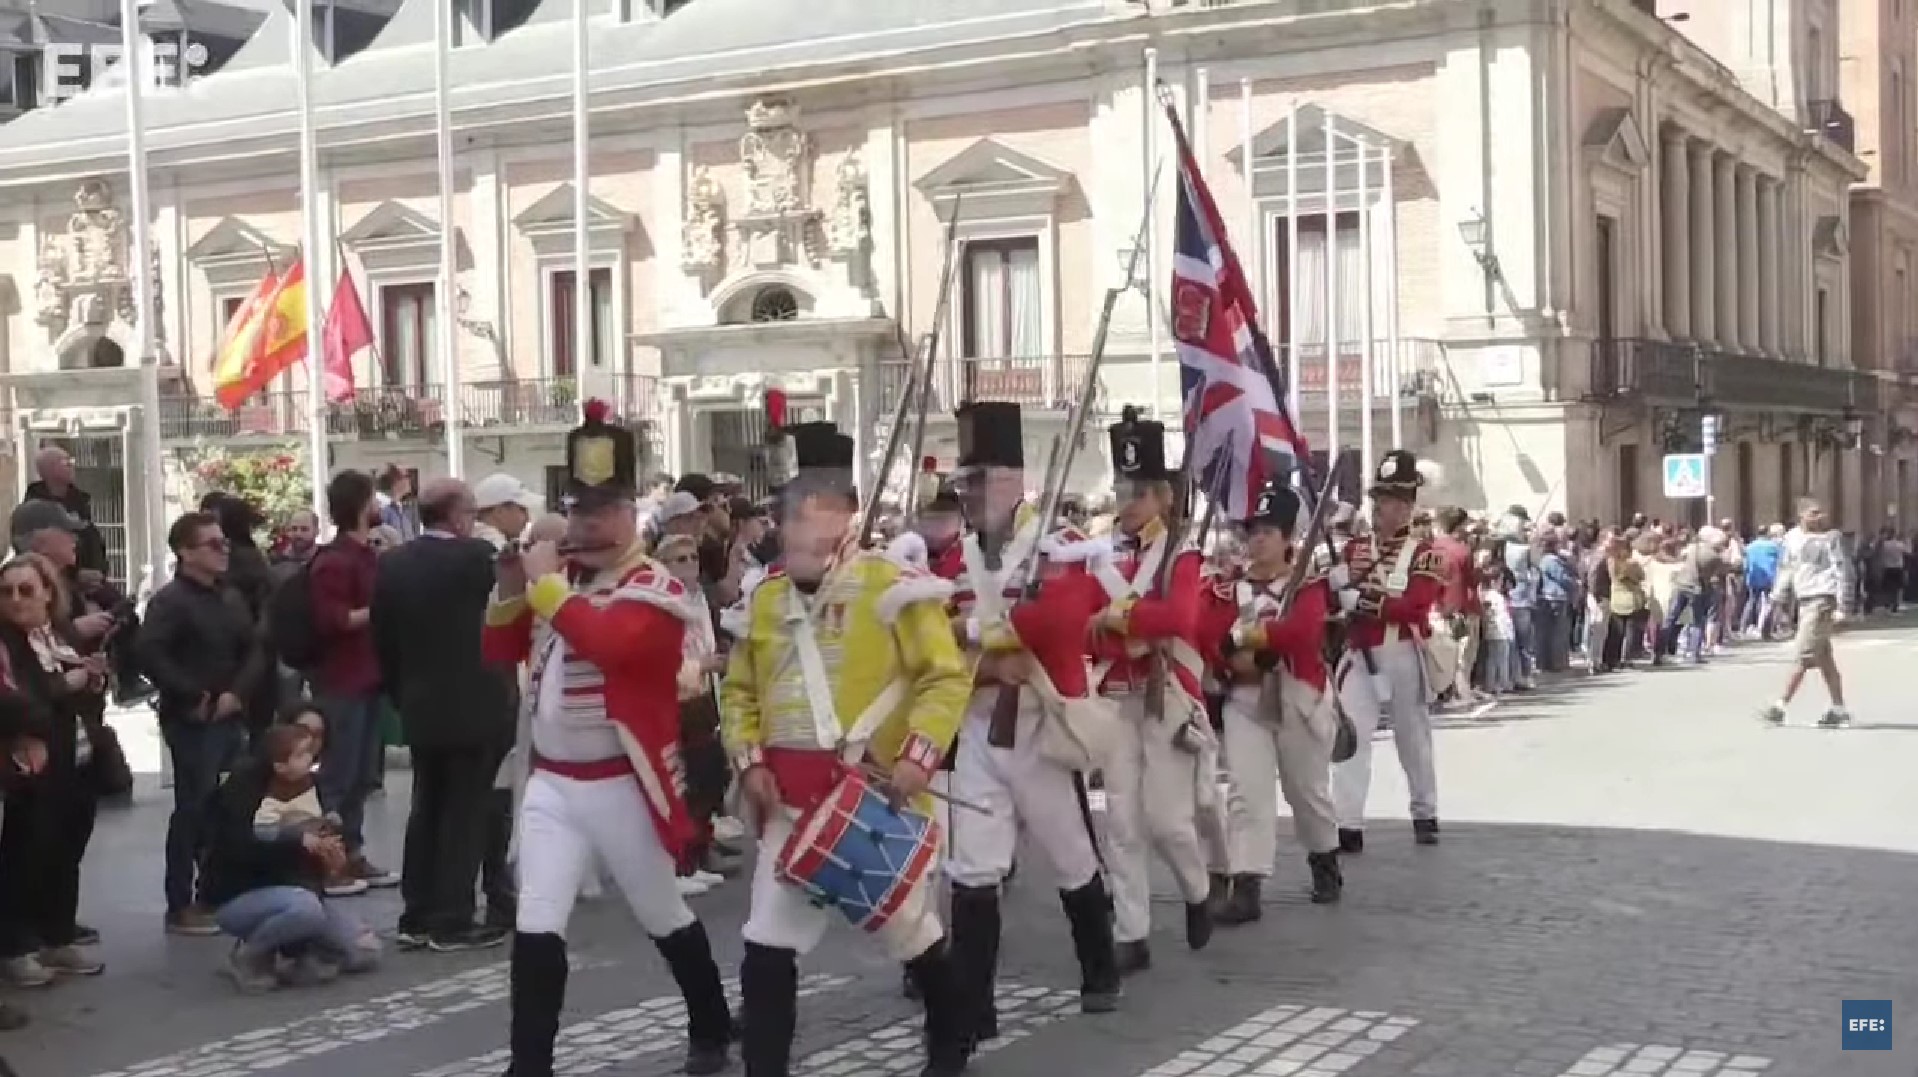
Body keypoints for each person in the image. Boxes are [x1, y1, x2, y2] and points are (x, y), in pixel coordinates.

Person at [485, 402, 732, 1077]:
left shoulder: (654, 587)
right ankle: (528, 1063)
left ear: (630, 515)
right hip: (554, 783)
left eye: (602, 511)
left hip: (625, 781)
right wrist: (511, 587)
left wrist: (544, 589)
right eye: (578, 510)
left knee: (661, 911)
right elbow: (496, 647)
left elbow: (612, 644)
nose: (587, 524)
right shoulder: (558, 582)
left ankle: (712, 1022)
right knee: (538, 919)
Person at [721, 421, 973, 1077]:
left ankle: (952, 1038)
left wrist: (919, 755)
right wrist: (749, 764)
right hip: (790, 807)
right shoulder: (766, 600)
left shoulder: (896, 585)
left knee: (910, 935)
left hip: (876, 795)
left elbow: (944, 675)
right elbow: (740, 692)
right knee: (766, 946)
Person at [930, 402, 1120, 1040]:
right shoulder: (956, 562)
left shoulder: (1058, 548)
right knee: (973, 868)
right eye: (966, 484)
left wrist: (977, 631)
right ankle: (972, 1006)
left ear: (1012, 482)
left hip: (1040, 722)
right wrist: (979, 653)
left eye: (979, 482)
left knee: (1071, 857)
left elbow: (1061, 621)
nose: (969, 496)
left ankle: (1100, 967)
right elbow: (930, 637)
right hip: (980, 723)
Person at [1079, 408, 1213, 973]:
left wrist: (1119, 620)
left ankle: (1198, 889)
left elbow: (1178, 618)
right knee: (1123, 823)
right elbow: (1085, 623)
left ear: (1162, 496)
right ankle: (1131, 932)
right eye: (1122, 491)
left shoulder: (1180, 554)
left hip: (1167, 694)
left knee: (1167, 822)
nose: (1126, 503)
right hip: (1116, 695)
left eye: (1137, 492)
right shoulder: (1100, 555)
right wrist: (1119, 626)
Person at [375, 478, 515, 952]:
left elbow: (383, 637)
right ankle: (452, 917)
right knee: (466, 812)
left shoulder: (393, 565)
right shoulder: (476, 558)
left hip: (420, 703)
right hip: (475, 703)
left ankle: (416, 913)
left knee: (427, 807)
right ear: (457, 517)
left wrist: (400, 692)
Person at [1198, 482, 1341, 918]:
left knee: (1307, 792)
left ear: (1287, 538)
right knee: (1246, 791)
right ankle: (1247, 883)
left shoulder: (1307, 586)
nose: (1257, 539)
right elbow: (1207, 634)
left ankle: (1324, 860)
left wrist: (1252, 639)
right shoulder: (1228, 589)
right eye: (1253, 531)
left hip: (1297, 694)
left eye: (1267, 531)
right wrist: (1233, 660)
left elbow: (1304, 633)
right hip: (1245, 698)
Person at [137, 511, 268, 934]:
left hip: (231, 712)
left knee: (231, 806)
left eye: (223, 542)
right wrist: (195, 695)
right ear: (185, 552)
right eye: (212, 544)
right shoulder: (171, 601)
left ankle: (219, 889)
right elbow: (151, 655)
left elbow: (254, 649)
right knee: (193, 807)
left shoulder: (228, 596)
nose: (223, 550)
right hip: (195, 718)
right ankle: (181, 902)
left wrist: (237, 694)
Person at [202, 720, 380, 993]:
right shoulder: (247, 787)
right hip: (243, 892)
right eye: (300, 750)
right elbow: (240, 846)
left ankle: (301, 951)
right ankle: (251, 954)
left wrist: (331, 860)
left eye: (316, 742)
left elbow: (321, 853)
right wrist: (296, 840)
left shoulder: (313, 787)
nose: (311, 755)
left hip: (302, 888)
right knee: (305, 909)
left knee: (363, 950)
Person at [1328, 450, 1444, 852]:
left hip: (1400, 652)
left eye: (1394, 502)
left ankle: (1425, 811)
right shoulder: (1353, 550)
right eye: (1380, 501)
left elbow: (1415, 604)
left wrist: (1360, 602)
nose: (1384, 510)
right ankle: (1348, 822)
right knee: (1351, 736)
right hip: (1358, 653)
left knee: (1412, 737)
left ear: (1409, 506)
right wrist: (1334, 592)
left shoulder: (1424, 553)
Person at [0, 553, 108, 985]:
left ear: (48, 593)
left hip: (77, 759)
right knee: (25, 856)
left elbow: (81, 697)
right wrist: (69, 684)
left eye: (27, 590)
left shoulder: (59, 634)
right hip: (30, 765)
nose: (16, 600)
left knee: (66, 852)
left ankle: (57, 936)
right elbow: (22, 701)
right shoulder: (7, 645)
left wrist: (94, 679)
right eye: (7, 592)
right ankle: (16, 946)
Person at [307, 472, 397, 889]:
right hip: (341, 680)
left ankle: (353, 852)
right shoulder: (334, 562)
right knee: (339, 776)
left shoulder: (366, 555)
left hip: (369, 677)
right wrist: (382, 609)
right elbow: (335, 620)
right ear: (362, 505)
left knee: (361, 775)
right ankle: (327, 861)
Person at [1760, 500, 1854, 727]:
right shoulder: (1792, 538)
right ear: (1801, 515)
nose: (1820, 516)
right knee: (1824, 659)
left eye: (1821, 512)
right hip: (1803, 599)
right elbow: (1787, 568)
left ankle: (1779, 706)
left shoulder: (1832, 538)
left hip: (1823, 599)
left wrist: (1843, 606)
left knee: (1802, 654)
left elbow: (1843, 571)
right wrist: (1777, 599)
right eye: (1814, 513)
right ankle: (1839, 709)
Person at [23, 446, 109, 578]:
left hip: (91, 578)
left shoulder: (79, 501)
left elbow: (91, 538)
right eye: (66, 463)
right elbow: (31, 550)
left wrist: (99, 570)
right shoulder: (33, 510)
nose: (72, 467)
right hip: (50, 580)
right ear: (49, 469)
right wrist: (73, 575)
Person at [474, 474, 544, 551]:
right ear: (499, 512)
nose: (528, 518)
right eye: (522, 509)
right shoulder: (491, 545)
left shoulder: (474, 538)